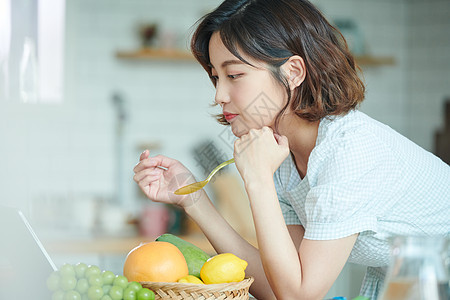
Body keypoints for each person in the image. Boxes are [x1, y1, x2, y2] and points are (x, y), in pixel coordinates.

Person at [133, 0, 450, 299]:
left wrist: (257, 178)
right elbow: (278, 286)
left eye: (234, 75)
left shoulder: (350, 149)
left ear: (293, 72)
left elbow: (299, 294)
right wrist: (194, 199)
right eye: (216, 77)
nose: (219, 95)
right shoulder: (286, 156)